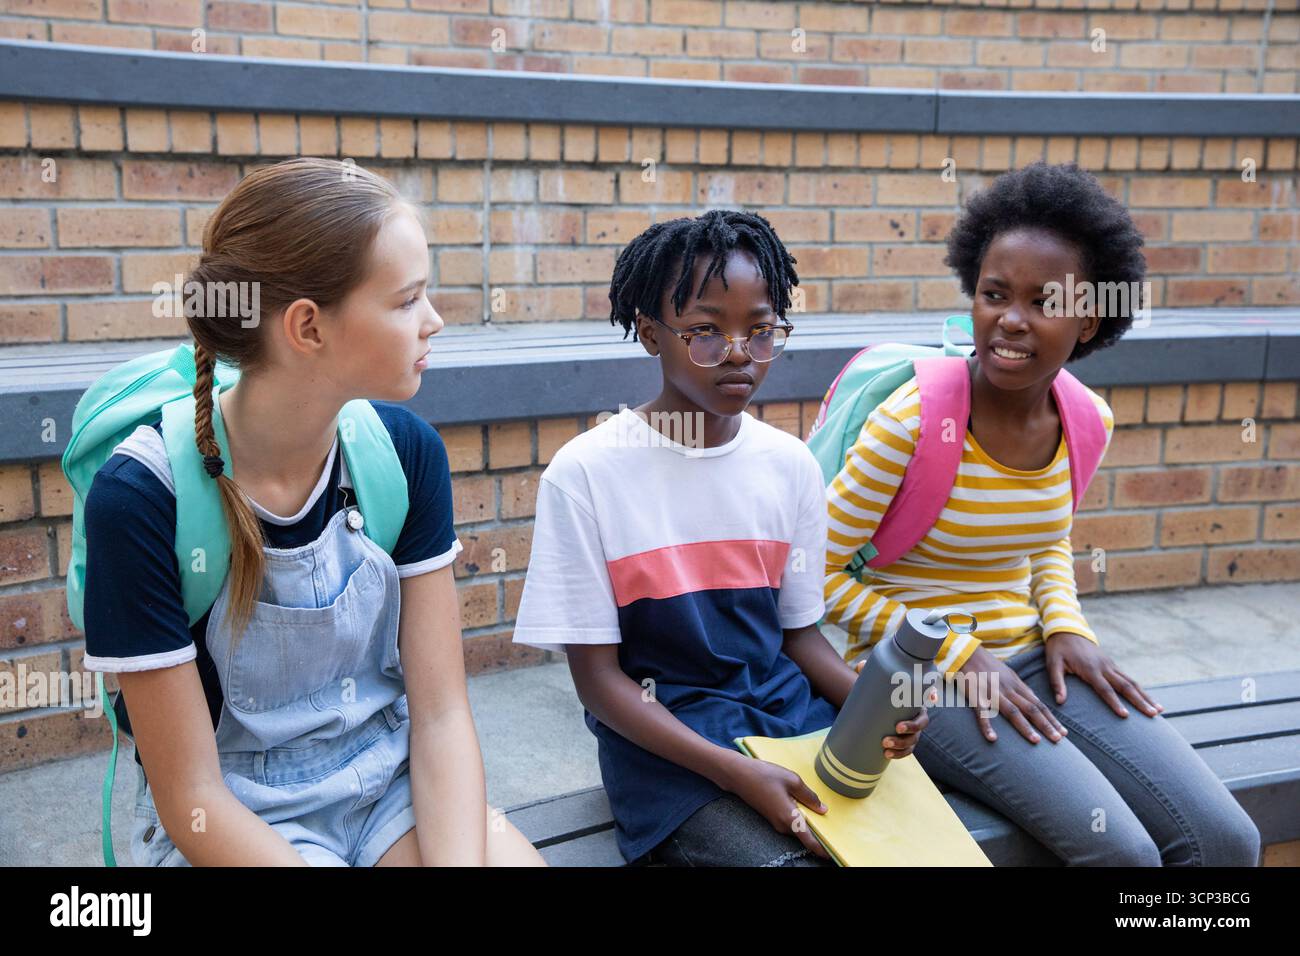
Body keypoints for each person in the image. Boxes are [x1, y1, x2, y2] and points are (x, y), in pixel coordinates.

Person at [83, 157, 543, 866]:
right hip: (238, 815)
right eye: (406, 299)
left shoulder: (403, 454)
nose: (435, 321)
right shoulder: (143, 498)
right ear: (307, 327)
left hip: (386, 782)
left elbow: (443, 716)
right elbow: (191, 796)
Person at [823, 162, 1260, 866]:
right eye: (995, 295)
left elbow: (1046, 540)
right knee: (1123, 856)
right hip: (916, 678)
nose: (1011, 320)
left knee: (1226, 842)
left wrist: (1066, 625)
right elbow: (813, 575)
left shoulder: (1087, 420)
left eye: (1043, 302)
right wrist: (961, 655)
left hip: (1033, 661)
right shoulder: (914, 423)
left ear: (1089, 317)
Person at [511, 210, 928, 867]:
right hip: (667, 745)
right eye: (705, 331)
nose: (738, 353)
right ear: (651, 333)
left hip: (787, 717)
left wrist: (873, 707)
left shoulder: (788, 465)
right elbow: (599, 684)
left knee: (913, 852)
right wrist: (733, 772)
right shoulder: (587, 473)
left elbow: (798, 639)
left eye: (760, 332)